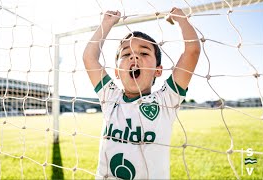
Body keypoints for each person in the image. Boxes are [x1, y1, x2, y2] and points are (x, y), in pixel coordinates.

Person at [83, 7, 200, 180]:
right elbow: (89, 58)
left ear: (158, 71)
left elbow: (192, 51)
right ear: (116, 71)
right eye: (126, 53)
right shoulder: (110, 97)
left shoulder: (166, 100)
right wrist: (106, 24)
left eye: (144, 52)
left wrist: (181, 19)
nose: (134, 57)